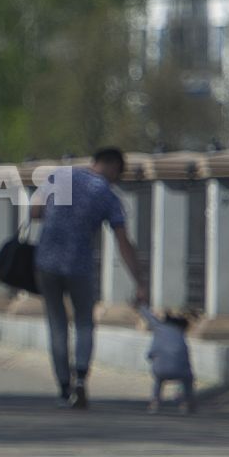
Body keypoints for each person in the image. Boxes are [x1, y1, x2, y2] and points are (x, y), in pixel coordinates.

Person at [31, 146, 146, 410]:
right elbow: (123, 241)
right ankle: (80, 379)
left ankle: (63, 388)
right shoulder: (106, 194)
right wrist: (140, 281)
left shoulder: (59, 177)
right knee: (84, 322)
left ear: (94, 161)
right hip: (80, 266)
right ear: (114, 167)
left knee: (57, 323)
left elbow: (34, 211)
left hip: (46, 262)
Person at [139, 305, 197, 413]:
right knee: (188, 379)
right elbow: (186, 358)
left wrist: (141, 305)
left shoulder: (159, 328)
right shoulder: (180, 335)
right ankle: (186, 403)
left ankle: (155, 402)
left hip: (160, 369)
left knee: (158, 379)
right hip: (180, 371)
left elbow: (149, 317)